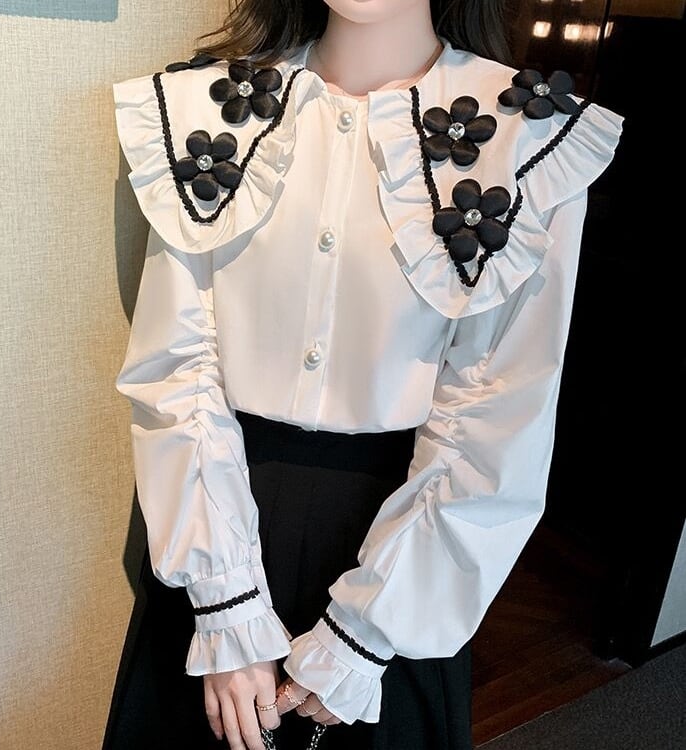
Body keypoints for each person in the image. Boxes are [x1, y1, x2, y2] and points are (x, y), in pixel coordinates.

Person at [103, 1, 623, 749]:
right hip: (210, 518)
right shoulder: (205, 113)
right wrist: (225, 607)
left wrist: (366, 633)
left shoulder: (528, 138)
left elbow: (501, 413)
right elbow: (176, 369)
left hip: (408, 544)